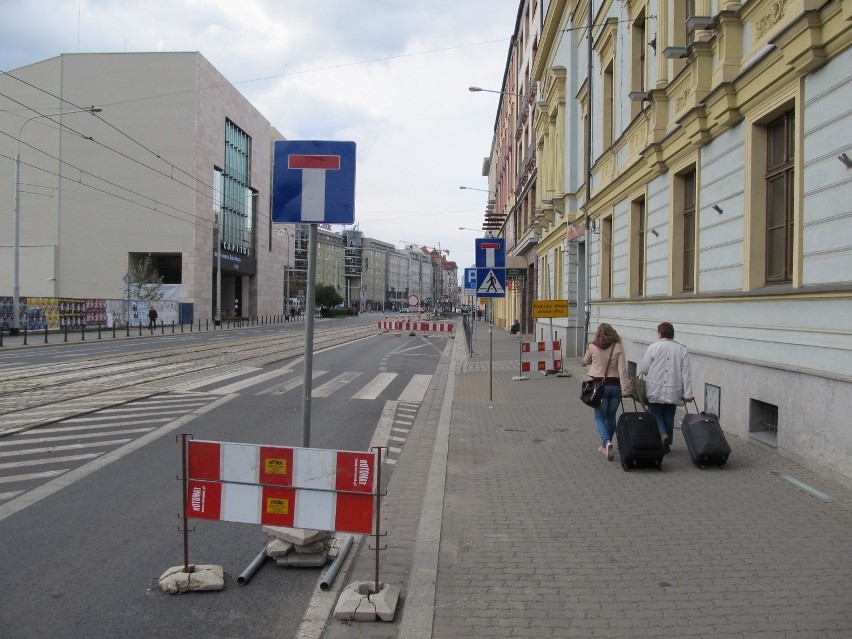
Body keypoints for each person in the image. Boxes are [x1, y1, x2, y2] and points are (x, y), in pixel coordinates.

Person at [640, 322, 693, 454]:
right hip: (674, 389)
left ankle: (662, 435)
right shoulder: (682, 349)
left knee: (656, 412)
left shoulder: (654, 347)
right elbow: (686, 373)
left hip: (655, 387)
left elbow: (644, 368)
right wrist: (688, 393)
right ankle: (667, 442)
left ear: (659, 334)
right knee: (669, 414)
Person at [583, 323, 630, 461]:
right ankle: (605, 445)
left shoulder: (592, 346)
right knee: (611, 417)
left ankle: (607, 442)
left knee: (599, 416)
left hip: (599, 387)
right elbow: (622, 369)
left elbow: (586, 361)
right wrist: (625, 388)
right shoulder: (618, 346)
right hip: (615, 386)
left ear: (598, 333)